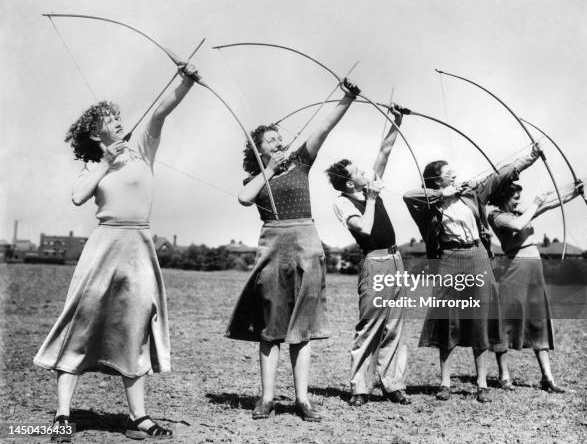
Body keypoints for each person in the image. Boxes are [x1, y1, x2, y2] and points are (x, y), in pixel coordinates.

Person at [34, 62, 199, 441]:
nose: (119, 122)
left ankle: (138, 418)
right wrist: (106, 161)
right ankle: (62, 415)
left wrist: (186, 80)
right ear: (95, 133)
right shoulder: (93, 164)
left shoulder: (142, 151)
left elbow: (160, 111)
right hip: (104, 247)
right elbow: (78, 197)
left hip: (139, 248)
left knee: (136, 326)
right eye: (110, 120)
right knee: (81, 323)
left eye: (118, 117)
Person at [226, 79, 361, 422]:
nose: (279, 141)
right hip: (273, 247)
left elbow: (324, 126)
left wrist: (347, 97)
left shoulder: (301, 162)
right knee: (271, 330)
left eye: (278, 137)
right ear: (258, 150)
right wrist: (268, 170)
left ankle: (303, 400)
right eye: (269, 140)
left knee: (302, 329)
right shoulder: (255, 180)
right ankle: (267, 399)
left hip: (305, 242)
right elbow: (243, 198)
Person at [403, 144, 542, 403]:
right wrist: (444, 193)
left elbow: (501, 175)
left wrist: (530, 157)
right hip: (448, 259)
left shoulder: (472, 195)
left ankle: (481, 384)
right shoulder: (429, 205)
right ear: (436, 179)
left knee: (481, 320)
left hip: (477, 257)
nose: (454, 175)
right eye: (448, 173)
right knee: (448, 321)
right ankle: (444, 383)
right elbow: (409, 196)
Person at [325, 105, 409, 406]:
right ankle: (360, 388)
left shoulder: (366, 187)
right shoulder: (344, 201)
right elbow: (364, 228)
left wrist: (395, 121)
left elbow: (384, 152)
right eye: (358, 173)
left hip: (397, 261)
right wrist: (371, 197)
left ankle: (393, 384)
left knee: (395, 326)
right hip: (375, 263)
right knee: (370, 325)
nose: (365, 172)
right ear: (350, 183)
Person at [488, 181, 582, 393]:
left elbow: (546, 205)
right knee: (505, 321)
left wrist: (572, 193)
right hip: (516, 270)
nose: (518, 202)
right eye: (515, 198)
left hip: (534, 270)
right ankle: (504, 376)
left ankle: (547, 378)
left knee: (539, 320)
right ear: (504, 197)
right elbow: (517, 225)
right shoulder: (496, 216)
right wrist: (535, 203)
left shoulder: (520, 213)